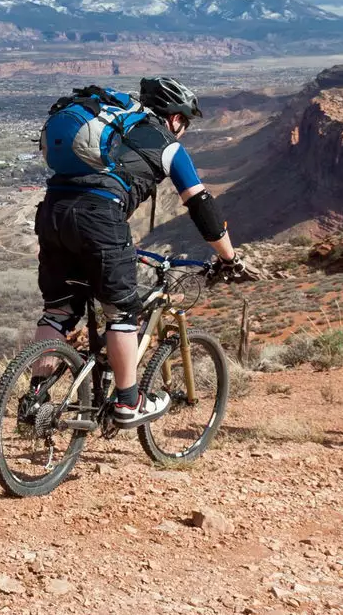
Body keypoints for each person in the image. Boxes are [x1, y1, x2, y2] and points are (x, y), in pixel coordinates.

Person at [31, 76, 255, 425]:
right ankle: (128, 403)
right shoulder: (168, 145)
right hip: (100, 219)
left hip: (52, 213)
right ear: (176, 118)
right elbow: (202, 208)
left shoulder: (114, 123)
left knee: (58, 312)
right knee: (121, 315)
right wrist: (230, 259)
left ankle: (35, 397)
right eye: (185, 122)